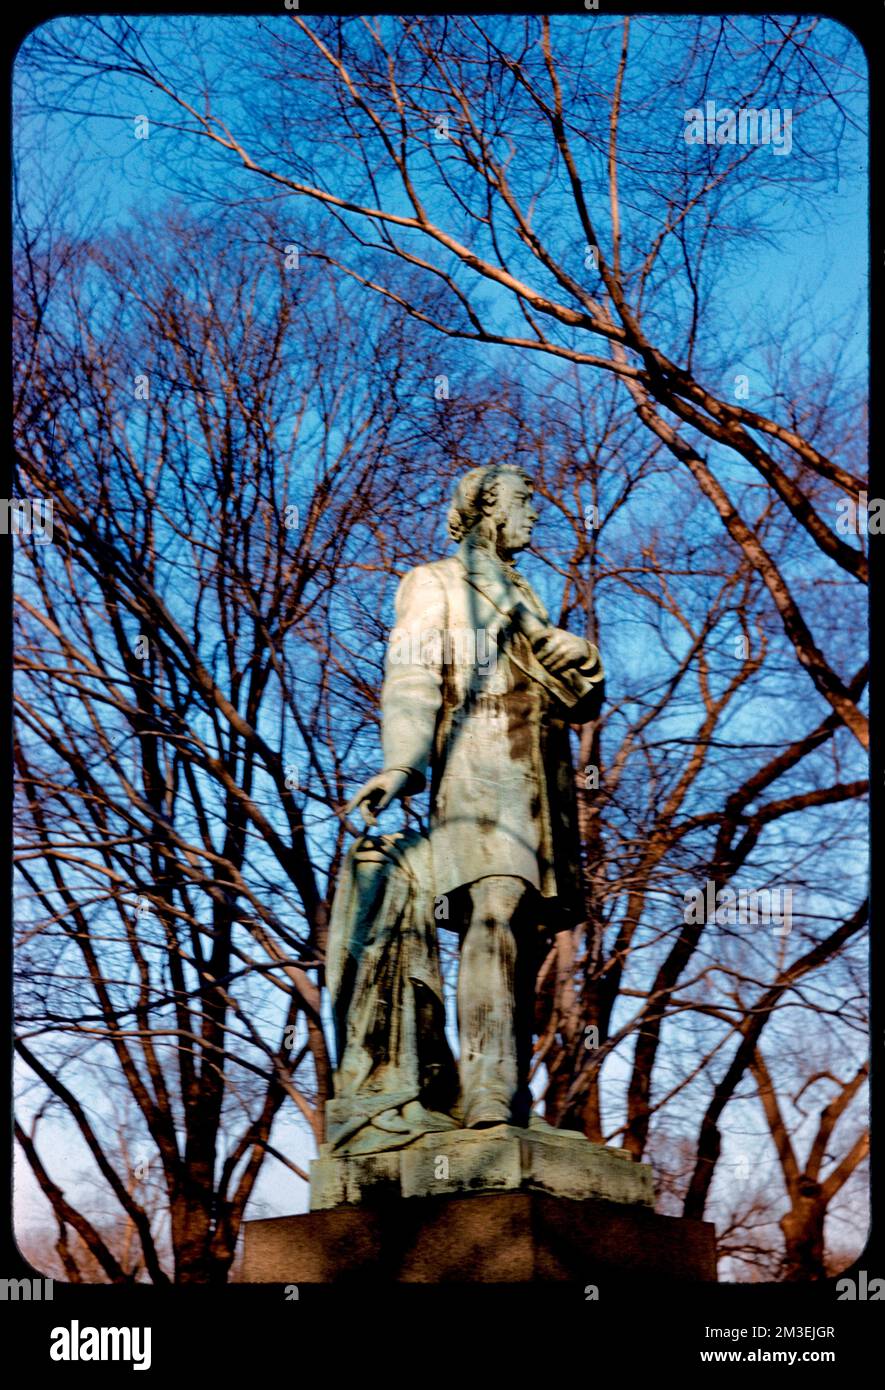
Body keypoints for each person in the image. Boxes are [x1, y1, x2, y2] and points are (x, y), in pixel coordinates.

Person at [346, 463, 604, 1130]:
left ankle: (506, 1099)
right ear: (486, 506)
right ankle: (488, 1092)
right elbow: (410, 679)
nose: (533, 515)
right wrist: (400, 765)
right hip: (476, 775)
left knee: (518, 930)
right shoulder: (434, 583)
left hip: (538, 786)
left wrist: (570, 657)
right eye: (524, 501)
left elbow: (566, 694)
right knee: (491, 914)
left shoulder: (526, 594)